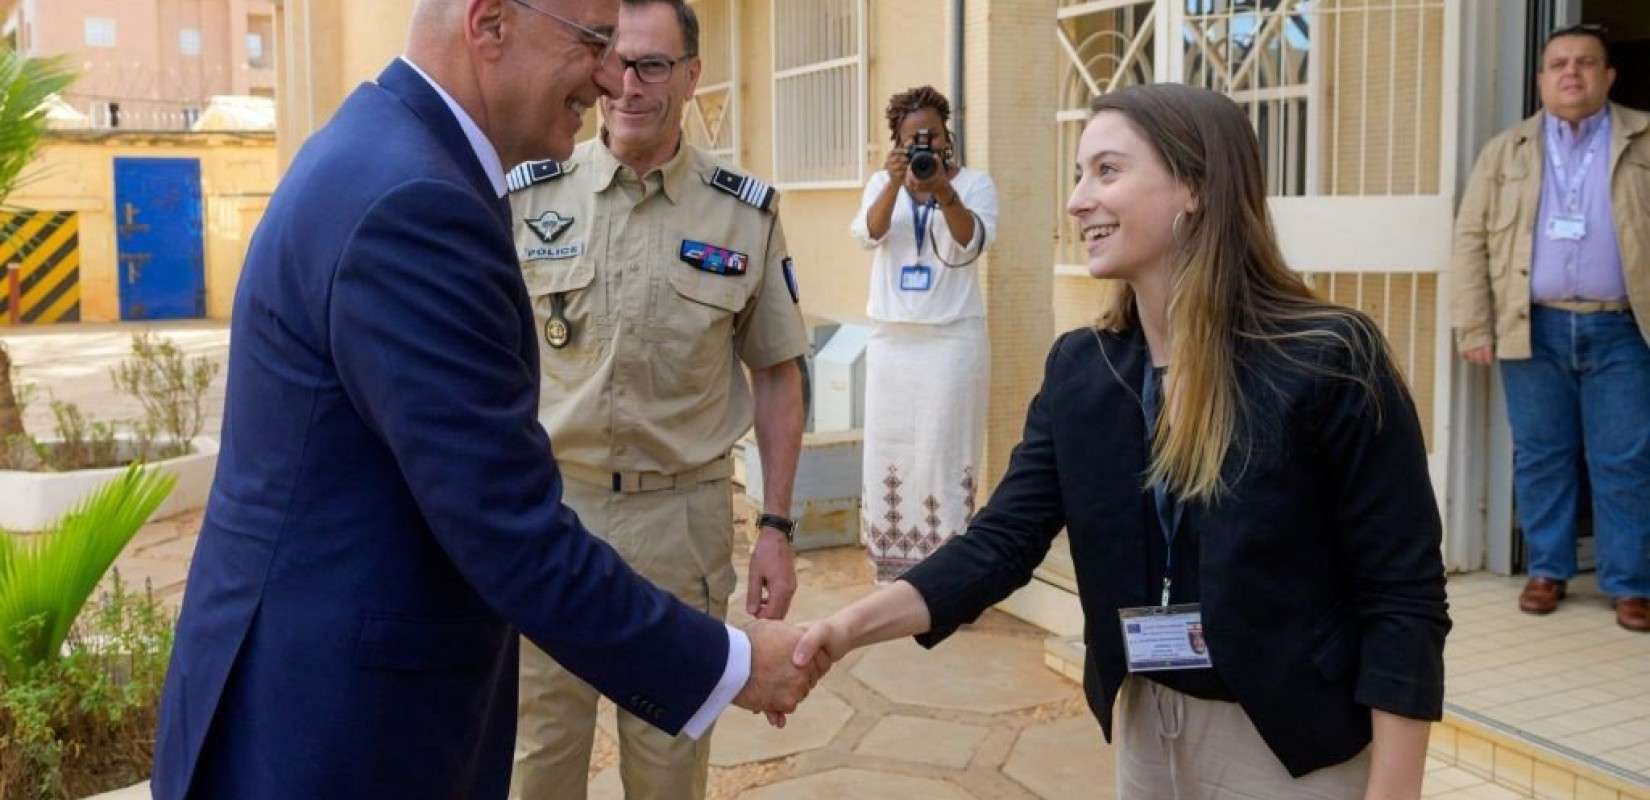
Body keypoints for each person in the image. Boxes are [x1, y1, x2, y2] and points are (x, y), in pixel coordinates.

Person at [150, 1, 822, 797]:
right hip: (339, 733)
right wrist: (735, 664)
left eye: (636, 58)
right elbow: (505, 526)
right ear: (491, 24)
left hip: (341, 699)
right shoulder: (416, 202)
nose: (612, 78)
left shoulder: (386, 155)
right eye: (595, 43)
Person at [796, 84, 1451, 799]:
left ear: (1196, 185)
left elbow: (1402, 596)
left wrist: (1394, 791)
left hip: (1291, 742)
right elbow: (1002, 542)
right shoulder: (1085, 367)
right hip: (1145, 726)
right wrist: (843, 630)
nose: (1077, 201)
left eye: (1107, 172)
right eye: (1080, 174)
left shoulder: (1327, 358)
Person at [504, 2, 808, 798]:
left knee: (670, 764)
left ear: (690, 76)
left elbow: (777, 371)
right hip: (553, 517)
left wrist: (775, 524)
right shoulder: (530, 197)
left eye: (653, 66)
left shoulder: (742, 213)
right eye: (617, 63)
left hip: (681, 524)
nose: (629, 86)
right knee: (539, 756)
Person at [1451, 23, 1650, 632]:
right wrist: (1474, 324)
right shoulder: (1505, 150)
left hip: (1622, 328)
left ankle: (1631, 583)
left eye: (1585, 63)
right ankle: (1548, 569)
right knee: (1541, 456)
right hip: (1529, 327)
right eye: (1559, 63)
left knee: (1626, 459)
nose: (1572, 73)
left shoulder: (1643, 138)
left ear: (1608, 76)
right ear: (1540, 79)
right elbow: (1471, 238)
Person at [849, 86, 999, 583]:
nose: (924, 144)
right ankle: (895, 572)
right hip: (893, 341)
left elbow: (969, 241)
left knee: (945, 450)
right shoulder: (879, 184)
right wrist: (895, 184)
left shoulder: (975, 185)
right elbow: (869, 235)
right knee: (890, 449)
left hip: (952, 340)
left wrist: (941, 190)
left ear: (946, 134)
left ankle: (949, 573)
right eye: (913, 137)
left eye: (931, 134)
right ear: (896, 139)